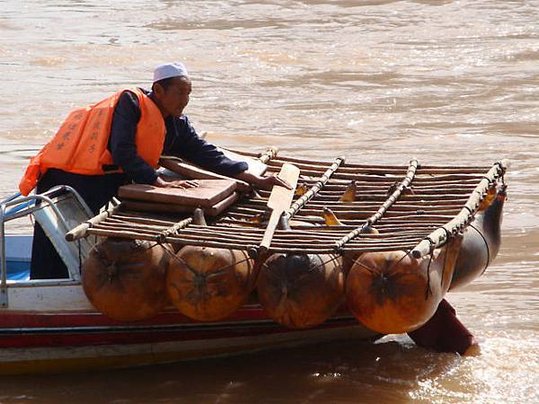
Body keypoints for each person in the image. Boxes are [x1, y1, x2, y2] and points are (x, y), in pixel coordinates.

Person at [20, 62, 289, 279]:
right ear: (158, 91)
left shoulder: (176, 123)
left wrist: (249, 175)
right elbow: (122, 150)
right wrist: (157, 181)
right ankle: (45, 287)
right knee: (53, 244)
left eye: (188, 94)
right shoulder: (131, 102)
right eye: (179, 93)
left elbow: (204, 153)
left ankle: (83, 279)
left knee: (85, 239)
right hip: (70, 178)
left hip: (106, 182)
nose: (185, 100)